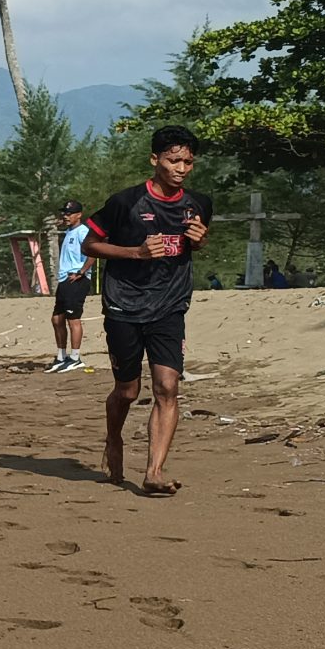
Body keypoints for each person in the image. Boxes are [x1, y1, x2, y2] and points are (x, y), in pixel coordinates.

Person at [82, 126, 214, 496]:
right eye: (174, 160)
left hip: (170, 306)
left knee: (167, 387)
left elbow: (194, 246)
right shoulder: (126, 203)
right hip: (124, 304)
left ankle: (154, 471)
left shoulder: (199, 203)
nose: (182, 168)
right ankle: (113, 439)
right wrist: (135, 252)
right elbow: (90, 245)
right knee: (127, 391)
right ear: (155, 160)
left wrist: (200, 242)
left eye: (188, 162)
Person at [49, 200, 90, 371]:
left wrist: (81, 272)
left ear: (78, 214)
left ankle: (75, 357)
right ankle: (61, 356)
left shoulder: (83, 231)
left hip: (76, 279)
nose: (66, 216)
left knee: (73, 319)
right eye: (64, 213)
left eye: (69, 213)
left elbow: (93, 252)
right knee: (57, 319)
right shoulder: (68, 232)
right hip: (64, 279)